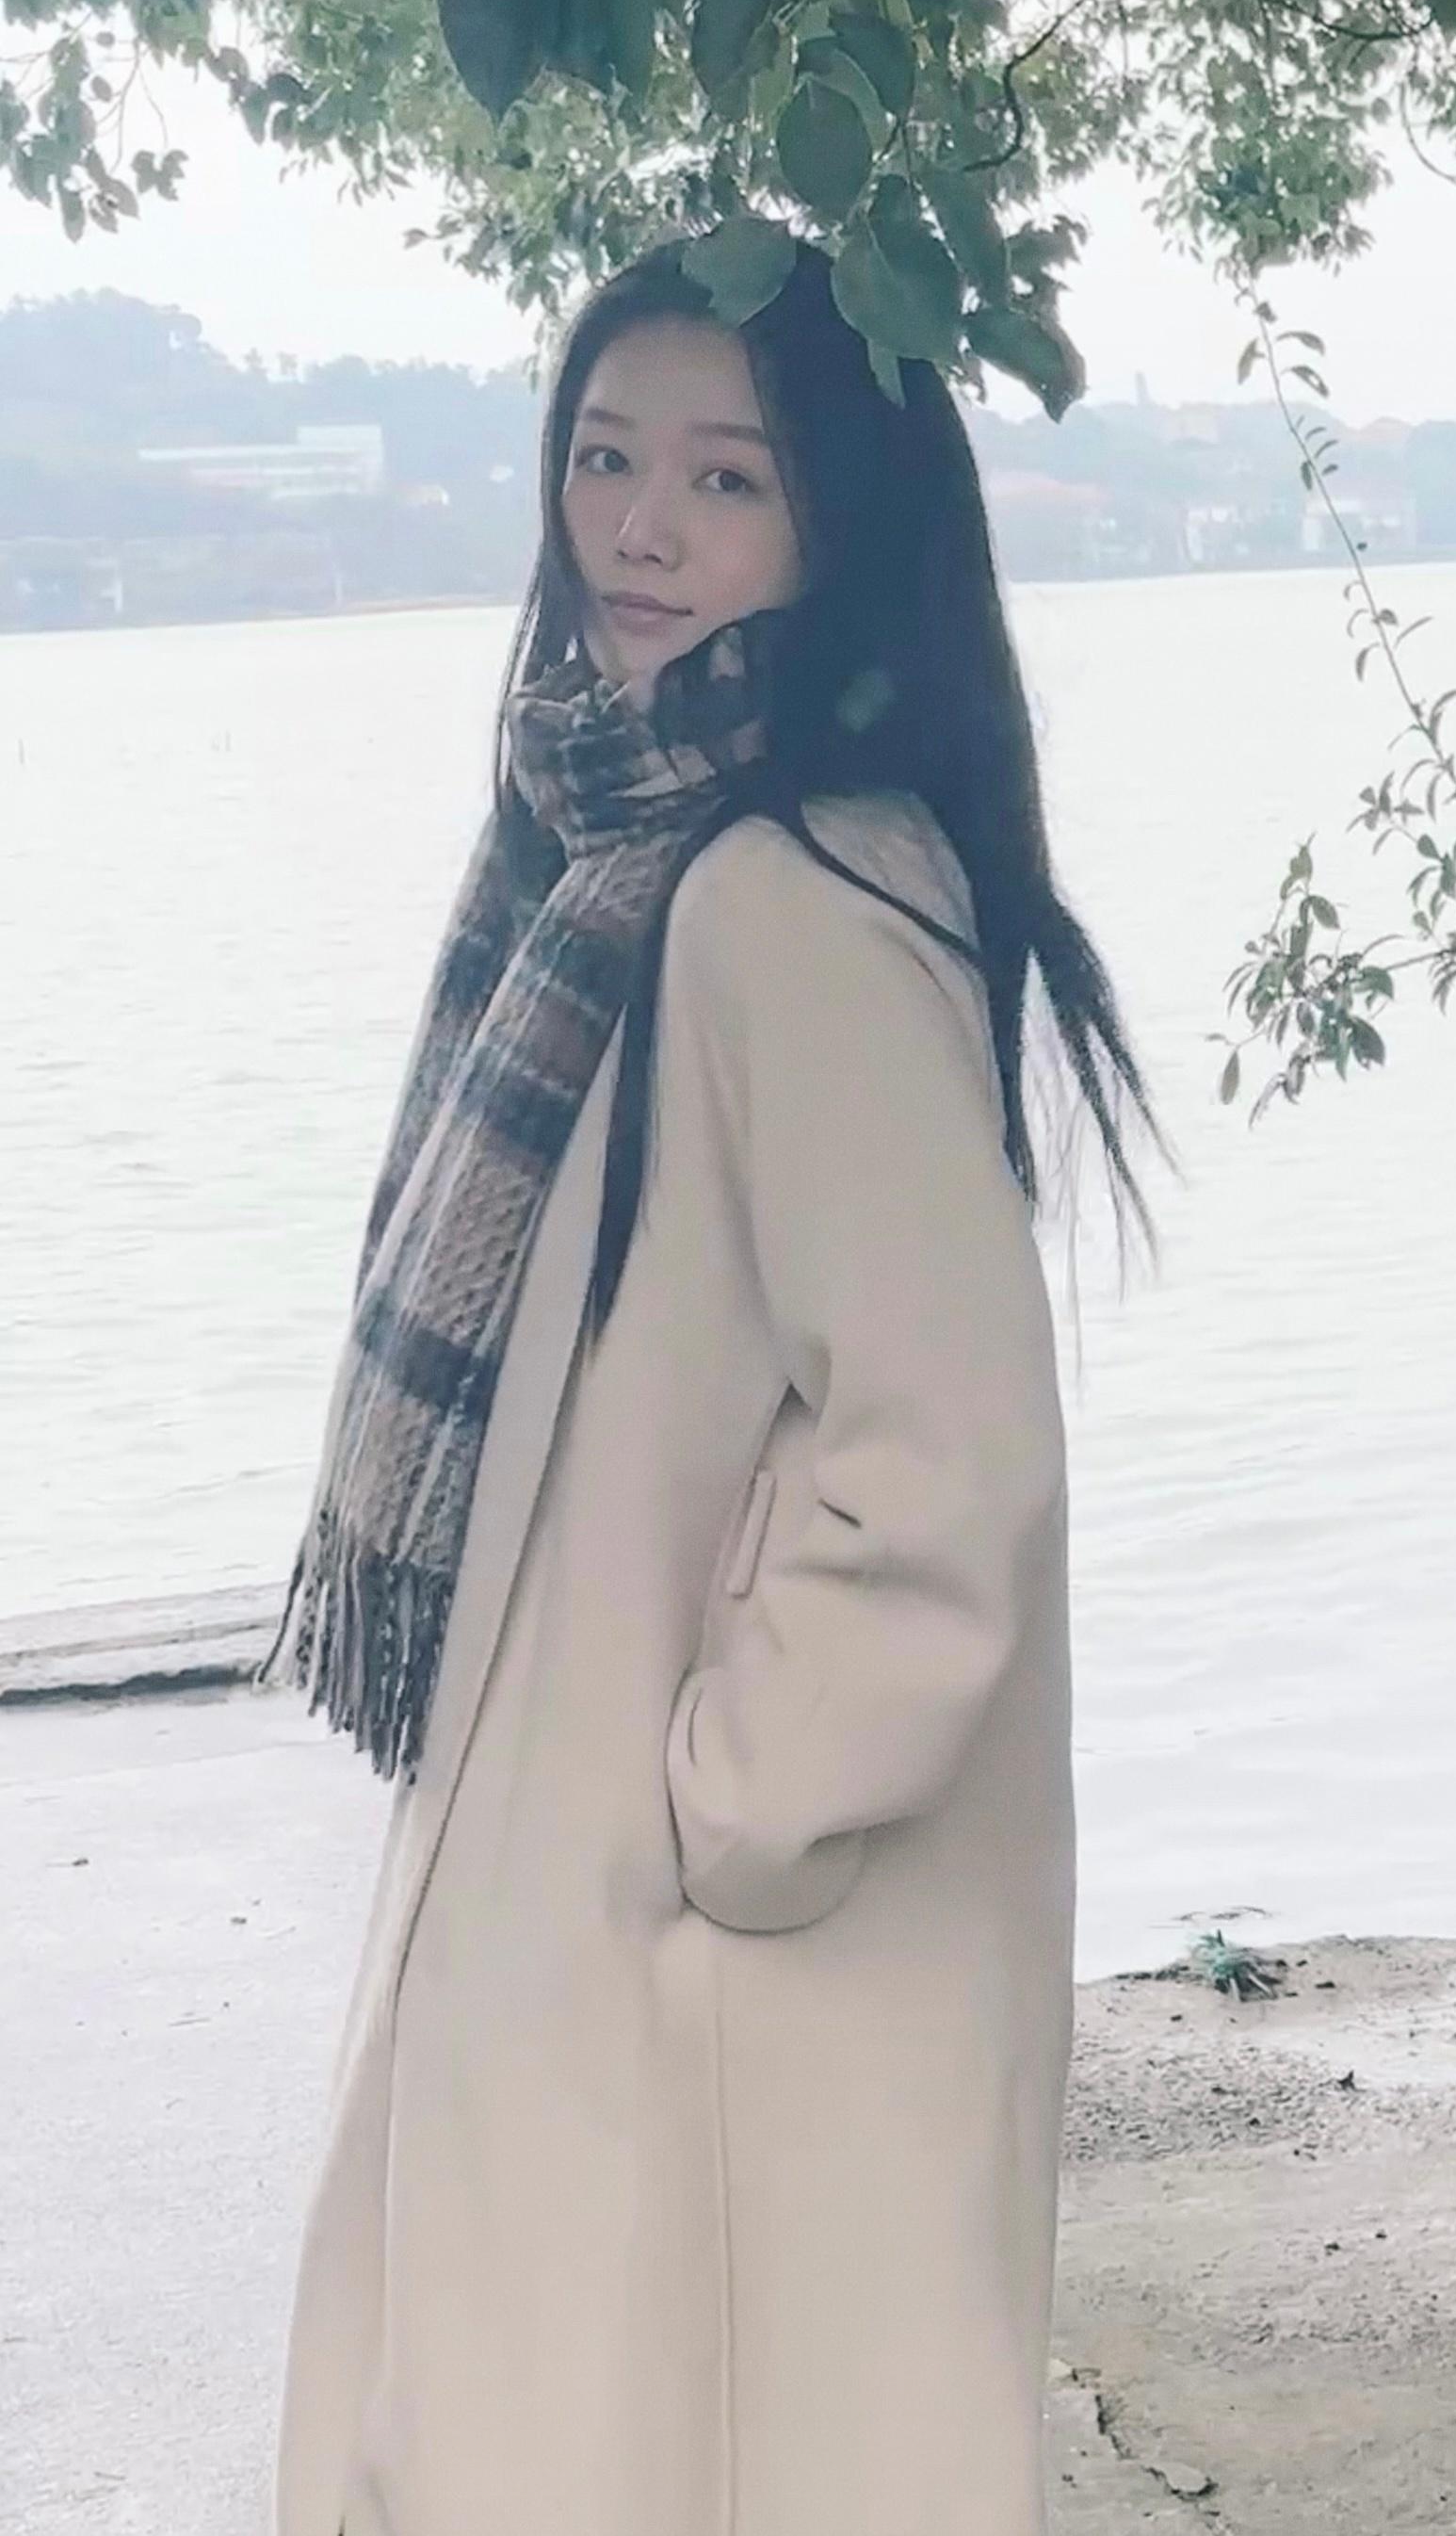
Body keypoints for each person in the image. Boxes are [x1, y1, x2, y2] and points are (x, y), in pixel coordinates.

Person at [266, 237, 1150, 2536]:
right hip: (622, 1945)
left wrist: (717, 1817)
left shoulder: (783, 894)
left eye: (725, 478)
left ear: (840, 521)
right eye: (604, 457)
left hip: (721, 1981)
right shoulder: (614, 862)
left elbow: (945, 1465)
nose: (639, 527)